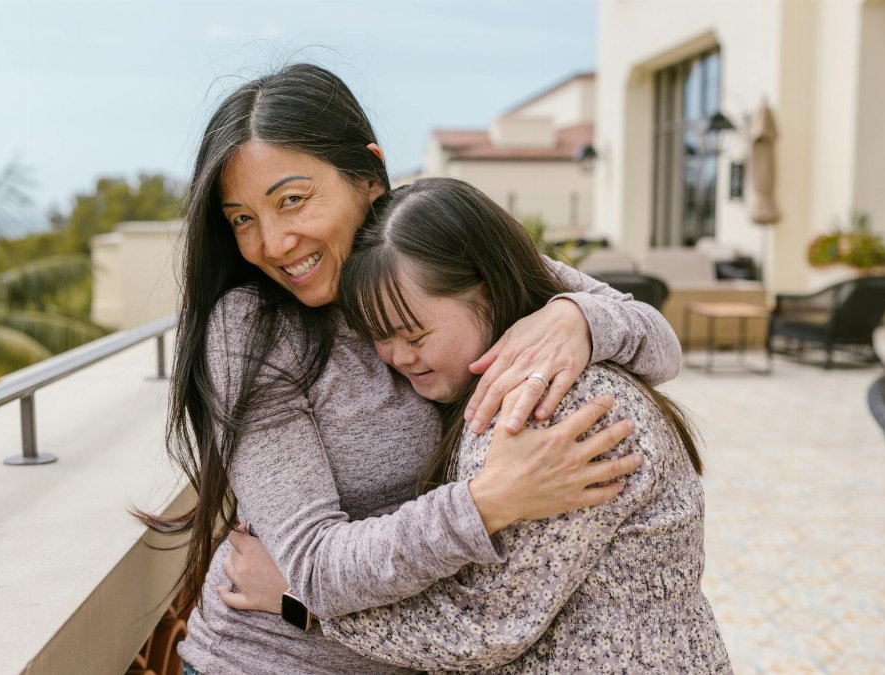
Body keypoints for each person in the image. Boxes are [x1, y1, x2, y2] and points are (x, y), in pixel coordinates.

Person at [138, 63, 684, 674]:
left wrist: (575, 318)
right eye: (243, 219)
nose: (272, 242)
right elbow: (313, 567)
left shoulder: (426, 247)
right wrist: (486, 503)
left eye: (292, 200)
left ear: (369, 176)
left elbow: (661, 346)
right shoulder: (252, 330)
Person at [220, 177, 731, 672]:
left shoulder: (550, 405)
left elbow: (487, 626)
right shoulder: (494, 373)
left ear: (487, 292)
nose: (397, 358)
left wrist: (298, 606)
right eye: (378, 337)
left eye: (415, 336)